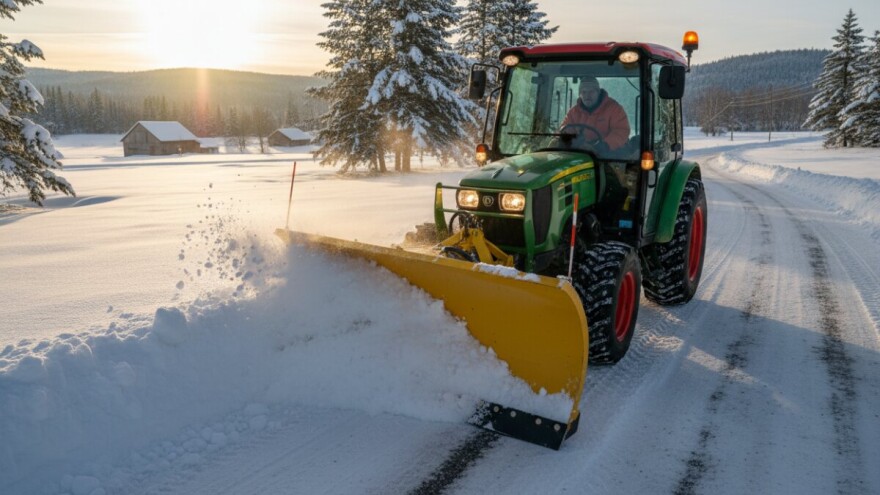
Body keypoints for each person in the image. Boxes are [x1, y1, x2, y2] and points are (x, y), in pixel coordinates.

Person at [560, 76, 630, 152]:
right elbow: (565, 129)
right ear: (580, 94)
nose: (587, 96)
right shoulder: (573, 112)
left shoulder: (614, 109)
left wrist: (603, 145)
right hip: (582, 154)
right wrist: (568, 140)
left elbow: (621, 131)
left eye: (591, 92)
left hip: (608, 155)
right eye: (584, 92)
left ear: (598, 92)